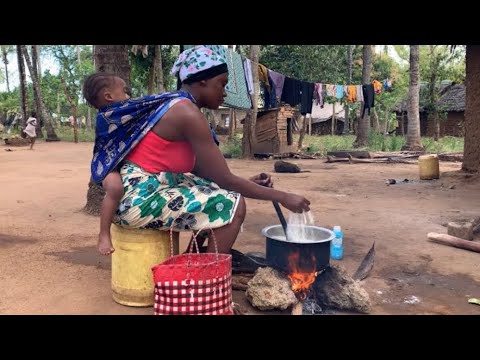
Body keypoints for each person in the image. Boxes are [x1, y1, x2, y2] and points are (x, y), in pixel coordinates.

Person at [85, 45, 310, 256]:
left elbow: (211, 176)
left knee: (216, 192)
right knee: (232, 205)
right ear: (202, 81)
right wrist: (283, 197)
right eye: (221, 84)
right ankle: (203, 282)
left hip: (149, 188)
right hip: (136, 199)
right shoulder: (186, 113)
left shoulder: (180, 106)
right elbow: (226, 181)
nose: (225, 92)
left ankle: (191, 264)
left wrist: (248, 182)